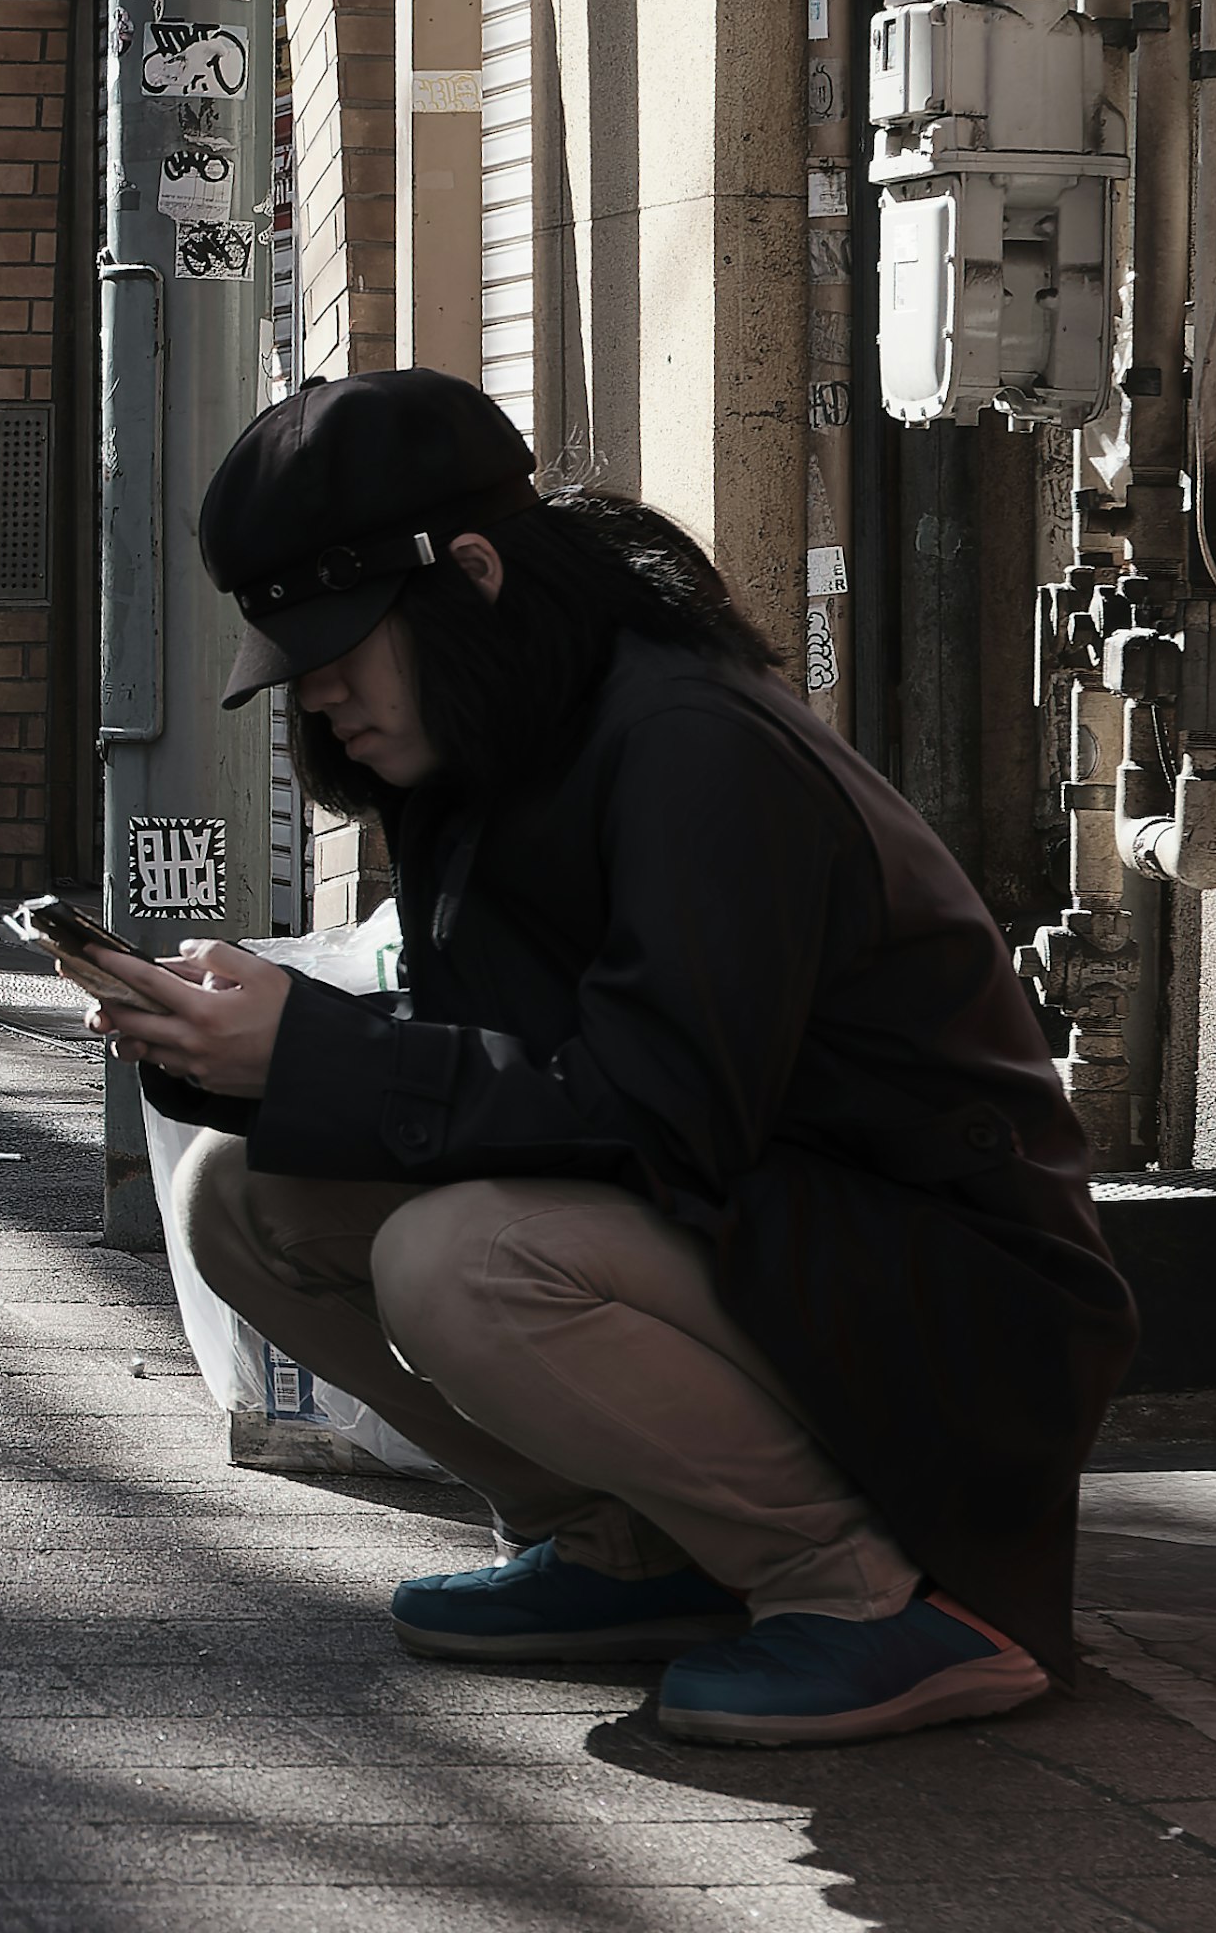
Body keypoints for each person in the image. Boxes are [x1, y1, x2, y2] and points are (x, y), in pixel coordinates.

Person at [68, 368, 1135, 1751]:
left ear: (473, 572)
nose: (316, 690)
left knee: (459, 1260)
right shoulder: (494, 749)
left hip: (948, 1306)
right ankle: (634, 1552)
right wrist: (242, 1049)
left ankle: (887, 1601)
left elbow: (658, 1112)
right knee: (239, 1195)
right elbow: (533, 1073)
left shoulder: (693, 746)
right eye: (291, 654)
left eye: (342, 641)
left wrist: (318, 1054)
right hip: (774, 1240)